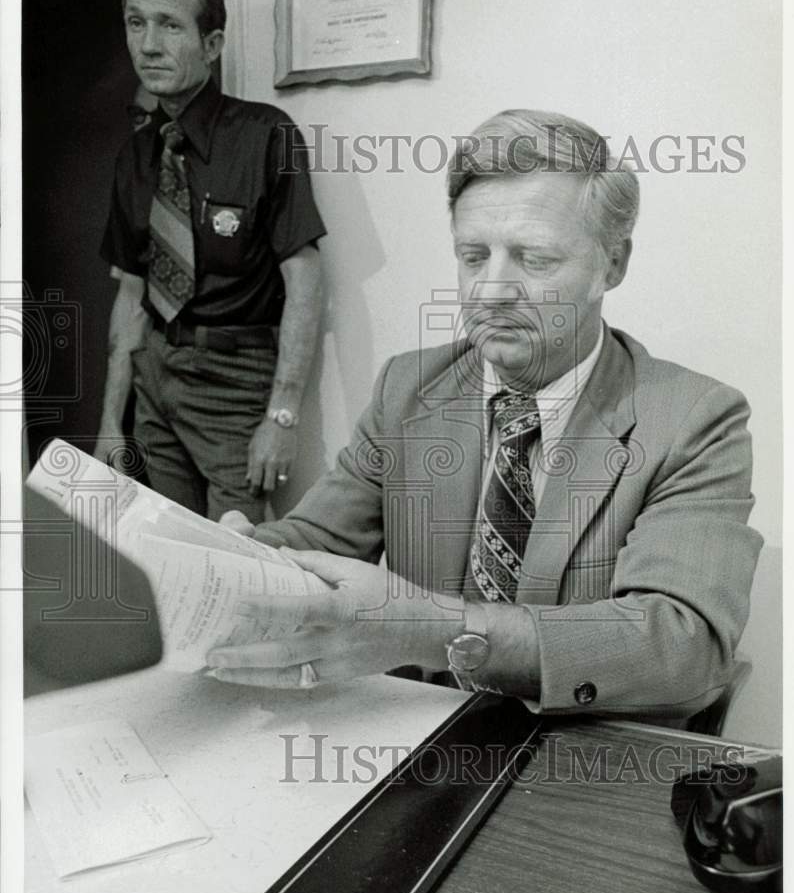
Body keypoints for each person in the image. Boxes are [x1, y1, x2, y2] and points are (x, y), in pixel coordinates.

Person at [207, 109, 763, 720]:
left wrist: (434, 630)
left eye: (535, 260)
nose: (490, 290)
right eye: (474, 256)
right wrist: (240, 556)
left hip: (578, 756)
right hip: (412, 738)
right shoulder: (408, 387)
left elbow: (682, 647)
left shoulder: (694, 420)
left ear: (612, 264)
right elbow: (318, 541)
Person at [94, 0, 325, 523]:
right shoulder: (134, 156)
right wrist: (110, 421)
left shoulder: (266, 134)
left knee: (238, 552)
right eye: (136, 23)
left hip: (233, 382)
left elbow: (306, 281)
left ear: (214, 42)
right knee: (171, 546)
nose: (148, 45)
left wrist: (282, 418)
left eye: (170, 26)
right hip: (154, 375)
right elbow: (130, 295)